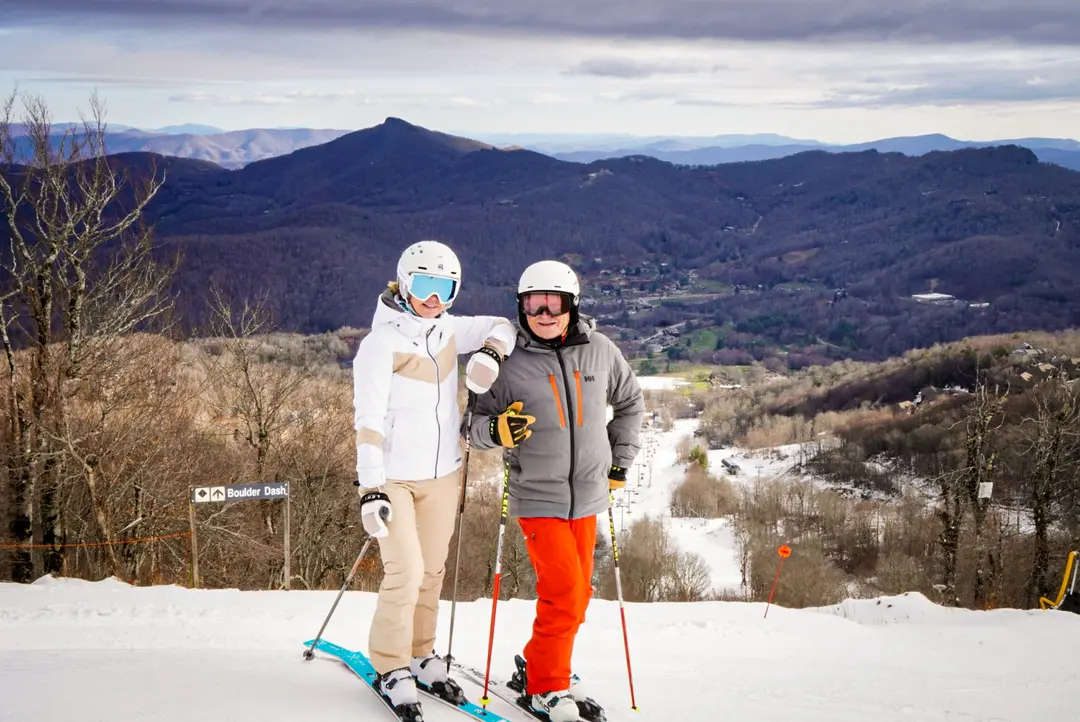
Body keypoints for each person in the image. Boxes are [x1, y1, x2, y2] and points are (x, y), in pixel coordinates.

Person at [464, 260, 644, 722]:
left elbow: (629, 402)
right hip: (537, 496)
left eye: (554, 303)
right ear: (521, 307)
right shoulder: (507, 366)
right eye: (533, 304)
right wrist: (498, 432)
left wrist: (620, 461)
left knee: (578, 597)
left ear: (572, 305)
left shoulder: (600, 350)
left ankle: (541, 665)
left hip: (588, 495)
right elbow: (472, 426)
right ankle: (545, 688)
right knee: (563, 591)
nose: (544, 313)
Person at [352, 240, 516, 719]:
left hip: (445, 473)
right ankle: (390, 665)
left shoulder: (446, 329)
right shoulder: (380, 344)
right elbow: (367, 421)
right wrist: (371, 489)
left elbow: (501, 325)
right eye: (424, 285)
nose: (433, 296)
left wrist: (489, 353)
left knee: (433, 573)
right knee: (405, 571)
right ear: (404, 283)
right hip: (395, 479)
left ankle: (422, 654)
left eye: (444, 286)